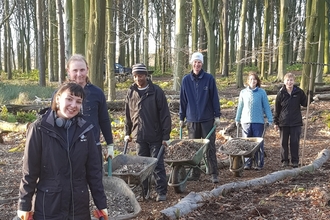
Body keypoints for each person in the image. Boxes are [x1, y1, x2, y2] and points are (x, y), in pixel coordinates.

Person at [15, 83, 108, 220]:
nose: (73, 105)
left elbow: (94, 172)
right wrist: (24, 204)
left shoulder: (86, 130)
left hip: (79, 207)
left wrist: (101, 204)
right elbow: (30, 171)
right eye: (69, 99)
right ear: (58, 99)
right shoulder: (39, 129)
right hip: (49, 205)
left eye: (78, 101)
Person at [124, 63, 171, 202]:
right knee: (141, 166)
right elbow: (128, 114)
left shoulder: (156, 91)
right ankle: (145, 192)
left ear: (146, 75)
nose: (138, 78)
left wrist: (166, 135)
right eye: (136, 76)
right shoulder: (131, 92)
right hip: (139, 135)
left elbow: (165, 114)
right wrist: (127, 132)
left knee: (157, 165)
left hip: (155, 135)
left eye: (141, 75)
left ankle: (161, 191)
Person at [179, 52, 221, 183]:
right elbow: (183, 100)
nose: (197, 65)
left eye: (199, 62)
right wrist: (182, 117)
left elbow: (214, 98)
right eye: (195, 62)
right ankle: (195, 173)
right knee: (194, 149)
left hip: (207, 119)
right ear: (192, 63)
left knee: (210, 147)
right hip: (192, 120)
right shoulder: (186, 80)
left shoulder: (209, 79)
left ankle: (214, 173)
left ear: (202, 64)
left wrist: (217, 115)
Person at [66, 54, 114, 165]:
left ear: (87, 69)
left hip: (93, 146)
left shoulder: (97, 93)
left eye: (82, 70)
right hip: (69, 148)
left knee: (96, 179)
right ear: (68, 71)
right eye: (75, 70)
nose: (79, 74)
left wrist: (110, 144)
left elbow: (104, 120)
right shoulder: (61, 94)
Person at [235, 72, 273, 170]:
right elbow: (240, 107)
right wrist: (237, 118)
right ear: (248, 81)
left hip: (258, 121)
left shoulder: (262, 93)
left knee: (258, 143)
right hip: (245, 121)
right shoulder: (243, 92)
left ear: (257, 81)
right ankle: (247, 163)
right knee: (246, 143)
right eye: (251, 79)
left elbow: (266, 107)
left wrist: (270, 118)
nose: (253, 81)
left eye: (255, 79)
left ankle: (258, 163)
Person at [274, 72, 307, 168]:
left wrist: (310, 95)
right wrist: (276, 122)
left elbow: (305, 103)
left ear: (294, 81)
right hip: (283, 122)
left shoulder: (299, 92)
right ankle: (284, 160)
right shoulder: (281, 93)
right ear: (284, 82)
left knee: (294, 142)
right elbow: (277, 109)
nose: (289, 82)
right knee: (283, 142)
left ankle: (295, 161)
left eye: (291, 80)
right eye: (287, 80)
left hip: (296, 122)